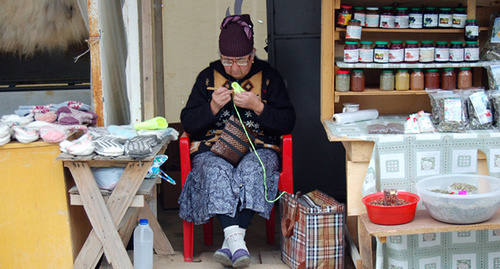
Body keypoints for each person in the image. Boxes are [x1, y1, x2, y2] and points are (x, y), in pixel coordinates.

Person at [178, 14, 295, 268]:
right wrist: (212, 106)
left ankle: (231, 242)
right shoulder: (207, 78)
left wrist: (258, 106)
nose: (233, 67)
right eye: (227, 61)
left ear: (252, 55)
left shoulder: (269, 77)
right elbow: (187, 122)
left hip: (258, 147)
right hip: (214, 148)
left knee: (254, 169)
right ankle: (238, 244)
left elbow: (287, 122)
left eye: (240, 61)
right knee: (214, 169)